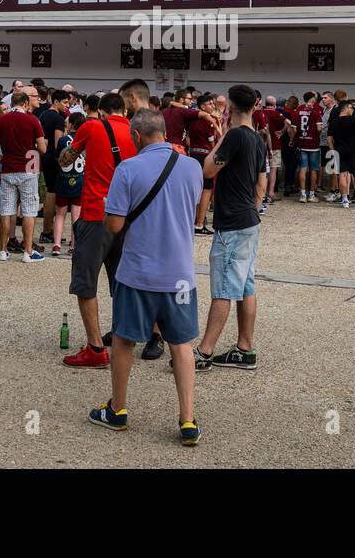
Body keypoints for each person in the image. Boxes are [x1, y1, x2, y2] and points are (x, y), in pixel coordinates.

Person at [90, 108, 204, 446]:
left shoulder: (128, 168)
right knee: (180, 343)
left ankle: (119, 410)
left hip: (138, 272)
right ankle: (187, 420)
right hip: (180, 273)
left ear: (136, 137)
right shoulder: (192, 167)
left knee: (125, 339)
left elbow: (113, 224)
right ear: (164, 133)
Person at [61, 91, 137, 368]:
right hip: (128, 217)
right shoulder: (136, 131)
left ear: (102, 111)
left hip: (96, 213)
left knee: (86, 281)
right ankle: (123, 338)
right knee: (123, 282)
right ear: (124, 111)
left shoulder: (91, 126)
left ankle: (95, 348)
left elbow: (66, 160)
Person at [196, 84, 267, 371]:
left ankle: (204, 352)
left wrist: (223, 131)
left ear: (231, 109)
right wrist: (253, 205)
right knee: (246, 285)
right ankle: (244, 347)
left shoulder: (235, 135)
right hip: (249, 219)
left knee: (224, 287)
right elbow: (261, 182)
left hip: (232, 222)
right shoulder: (257, 139)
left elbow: (208, 168)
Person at [0, 87, 47, 263]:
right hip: (28, 168)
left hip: (8, 168)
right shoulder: (32, 120)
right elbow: (42, 148)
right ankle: (28, 251)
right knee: (29, 211)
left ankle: (3, 250)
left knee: (6, 211)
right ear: (25, 103)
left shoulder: (1, 120)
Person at [186, 94, 224, 234]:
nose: (212, 106)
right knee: (207, 189)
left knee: (195, 189)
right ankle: (200, 224)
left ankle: (193, 219)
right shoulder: (209, 120)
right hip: (205, 154)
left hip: (192, 155)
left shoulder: (190, 119)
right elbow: (213, 140)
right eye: (210, 104)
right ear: (202, 106)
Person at [37, 89, 69, 249]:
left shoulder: (43, 115)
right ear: (55, 102)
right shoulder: (57, 119)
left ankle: (46, 230)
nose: (67, 105)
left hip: (44, 156)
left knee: (50, 191)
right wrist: (62, 160)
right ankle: (47, 231)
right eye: (64, 102)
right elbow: (58, 144)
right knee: (52, 193)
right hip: (54, 159)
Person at [51, 113, 85, 255]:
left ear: (70, 124)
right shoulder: (86, 140)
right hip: (79, 180)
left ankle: (57, 245)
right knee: (76, 215)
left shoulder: (63, 140)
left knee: (60, 214)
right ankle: (74, 245)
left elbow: (58, 158)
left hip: (63, 179)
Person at [295, 91, 323, 202]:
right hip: (314, 145)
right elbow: (319, 129)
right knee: (313, 170)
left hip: (302, 144)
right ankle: (311, 195)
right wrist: (317, 135)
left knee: (302, 169)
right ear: (312, 99)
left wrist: (295, 138)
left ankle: (302, 194)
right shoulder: (316, 112)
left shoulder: (298, 111)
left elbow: (294, 129)